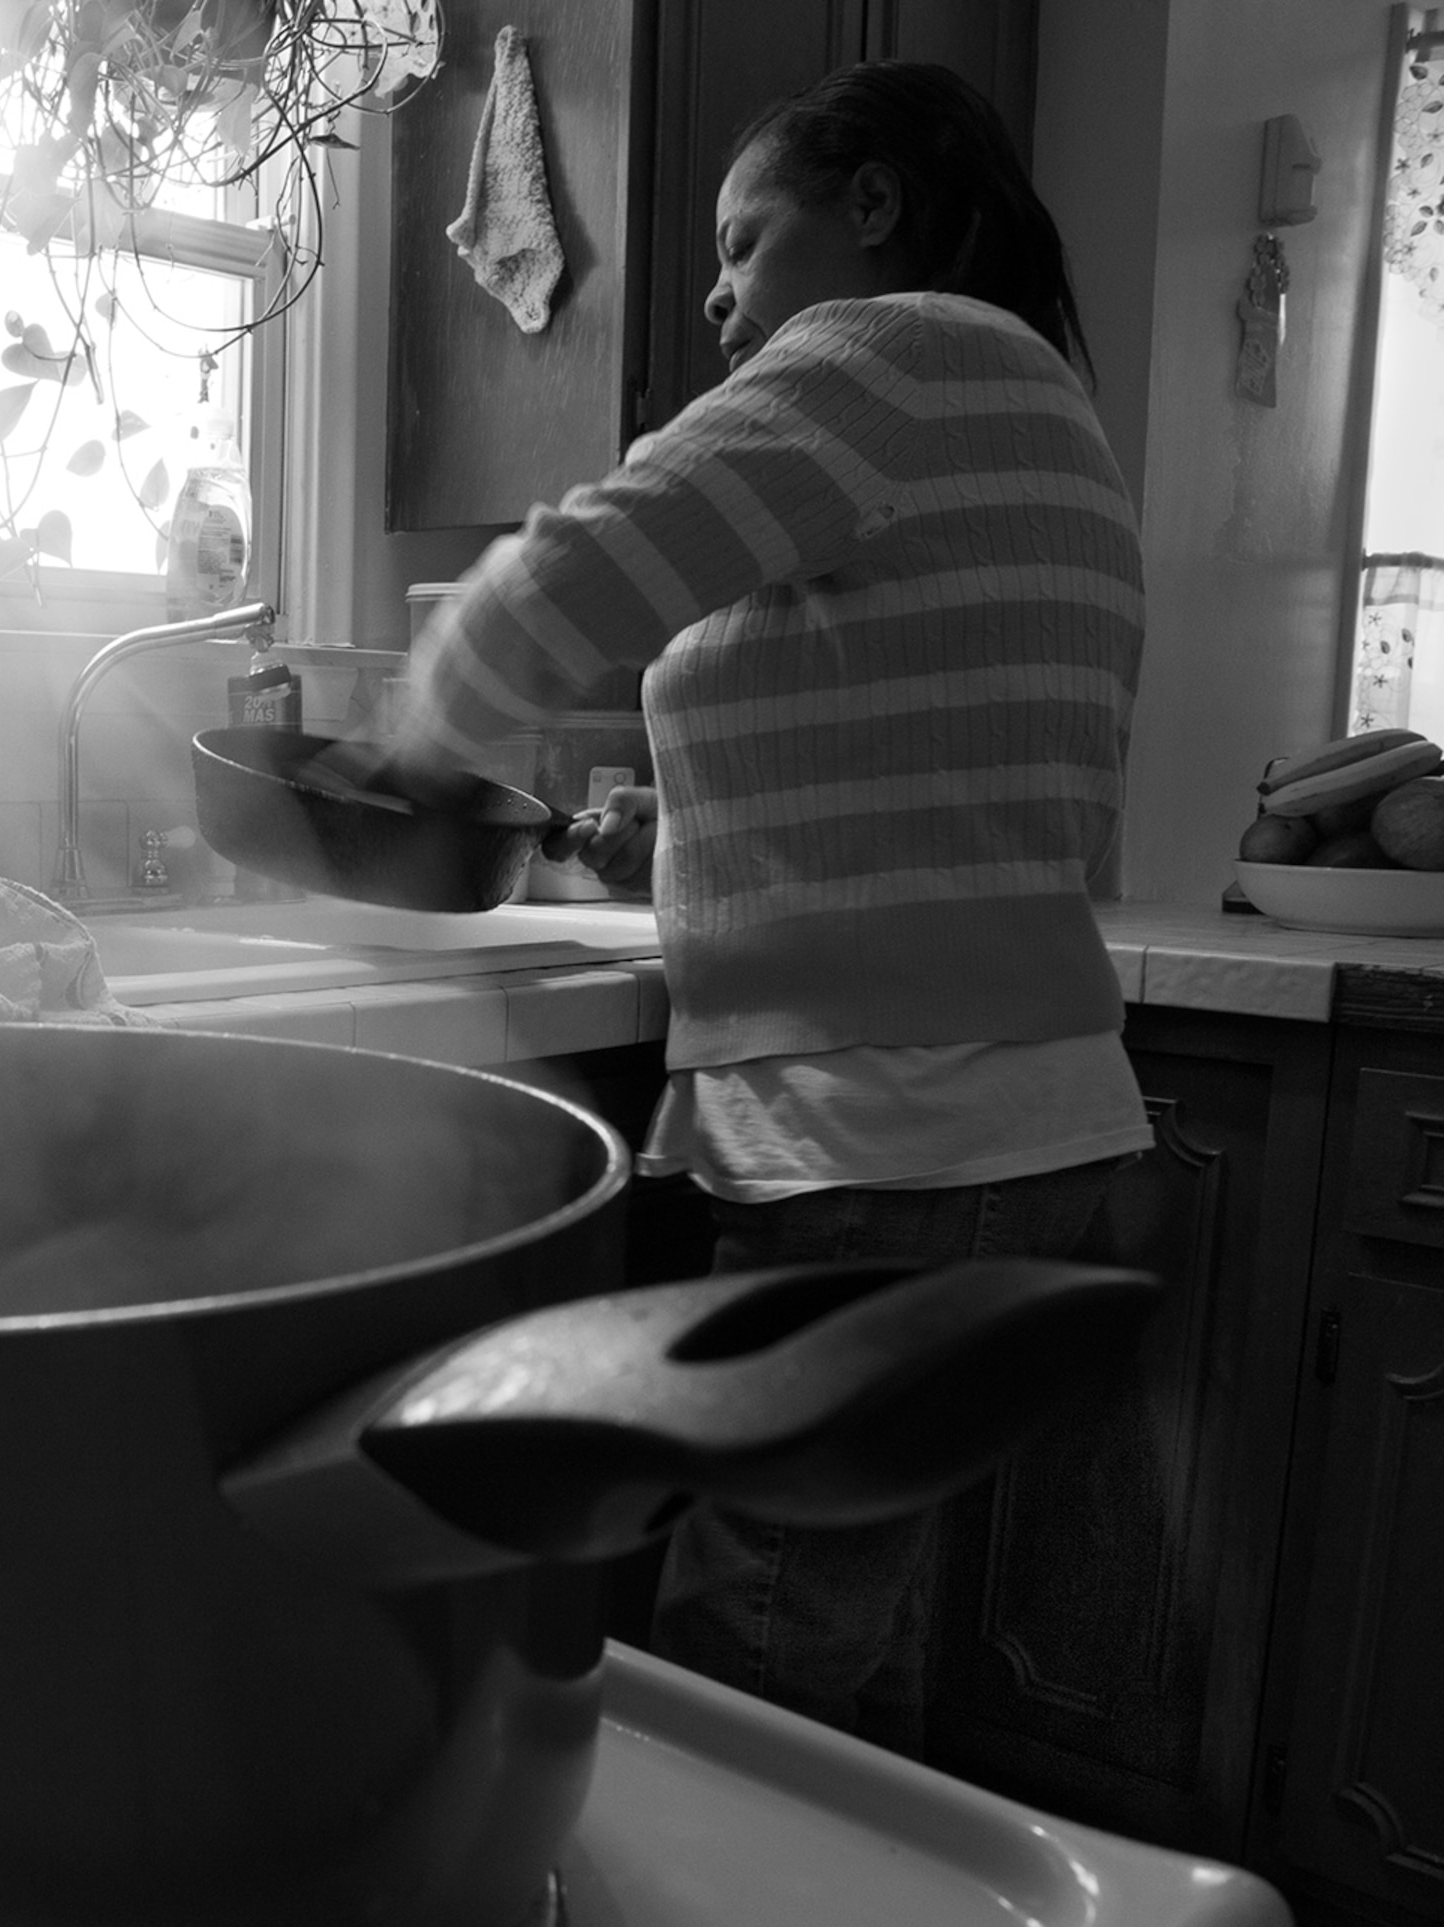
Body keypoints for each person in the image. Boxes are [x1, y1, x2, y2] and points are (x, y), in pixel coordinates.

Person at [333, 61, 1151, 1756]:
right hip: (990, 1116)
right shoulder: (1018, 397)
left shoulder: (890, 355)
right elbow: (930, 757)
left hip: (891, 1128)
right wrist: (672, 839)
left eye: (743, 238)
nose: (713, 291)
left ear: (873, 209)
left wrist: (410, 746)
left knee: (751, 1665)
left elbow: (587, 563)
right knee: (846, 1640)